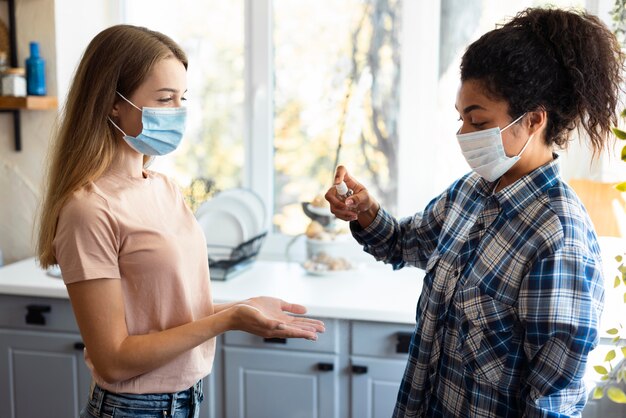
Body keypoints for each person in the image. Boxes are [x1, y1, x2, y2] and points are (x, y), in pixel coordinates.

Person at [326, 7, 622, 418]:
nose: (463, 134)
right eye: (461, 117)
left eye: (477, 119)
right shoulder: (471, 191)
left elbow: (550, 405)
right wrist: (364, 210)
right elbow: (404, 244)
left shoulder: (560, 241)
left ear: (533, 119)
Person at [36, 24, 324, 418]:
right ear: (112, 103)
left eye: (182, 98)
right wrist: (228, 321)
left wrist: (243, 306)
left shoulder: (164, 188)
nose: (178, 113)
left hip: (189, 401)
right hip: (132, 409)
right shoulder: (88, 209)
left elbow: (172, 314)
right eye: (164, 99)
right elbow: (113, 360)